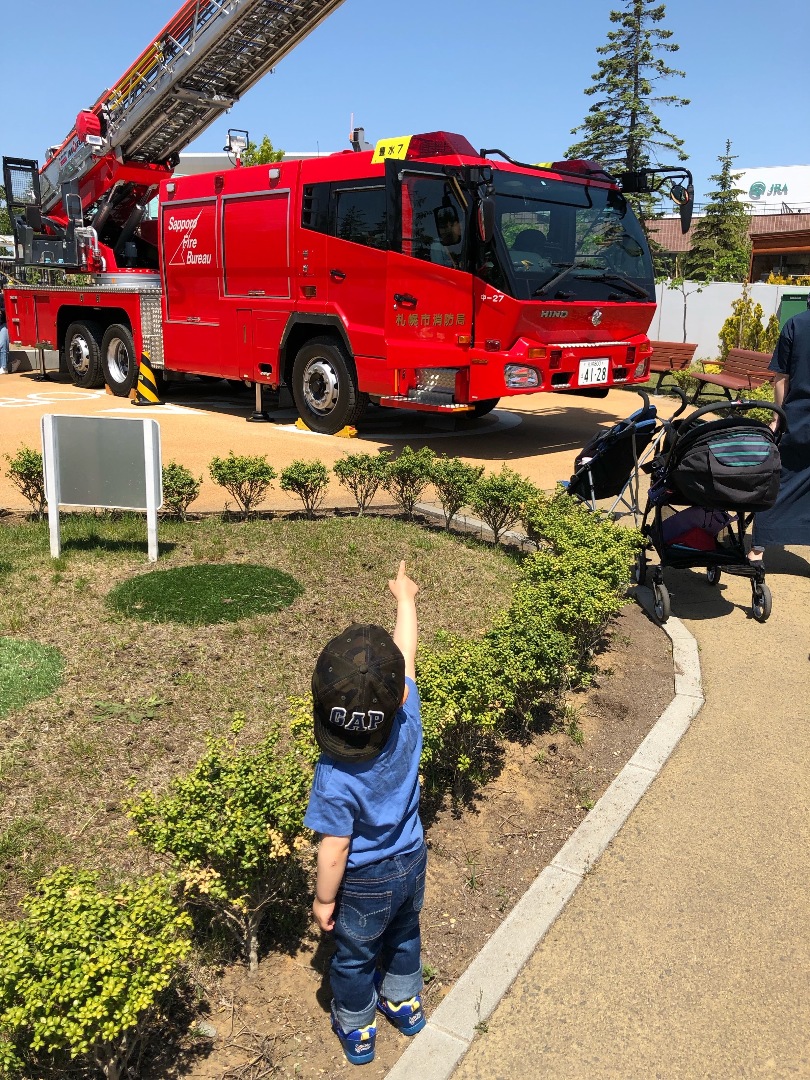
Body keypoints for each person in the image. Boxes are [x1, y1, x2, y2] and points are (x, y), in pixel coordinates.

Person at [304, 561, 426, 1066]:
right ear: (396, 696)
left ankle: (356, 1026)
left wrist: (322, 900)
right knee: (403, 933)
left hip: (365, 878)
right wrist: (406, 601)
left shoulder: (334, 776)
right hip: (413, 860)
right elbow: (407, 659)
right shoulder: (407, 715)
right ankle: (405, 1002)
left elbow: (335, 847)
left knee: (354, 956)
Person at [750, 295, 810, 562]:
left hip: (797, 417)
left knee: (779, 477)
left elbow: (781, 378)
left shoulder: (795, 324)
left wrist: (778, 416)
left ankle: (757, 549)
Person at [0, 307, 9, 375]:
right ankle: (13, 364)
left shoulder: (2, 297)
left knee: (3, 344)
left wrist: (1, 310)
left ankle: (4, 367)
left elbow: (8, 308)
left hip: (3, 324)